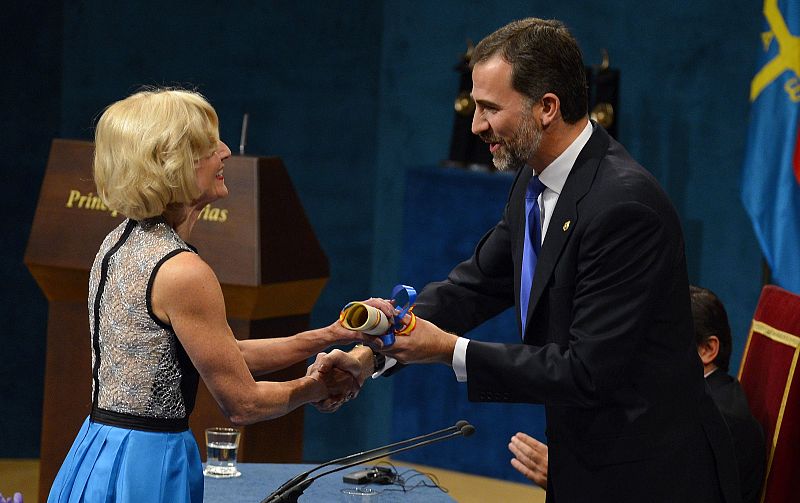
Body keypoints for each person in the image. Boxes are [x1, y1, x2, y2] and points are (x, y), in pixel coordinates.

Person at [354, 18, 742, 502]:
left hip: (650, 476)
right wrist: (374, 349)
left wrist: (449, 350)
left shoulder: (624, 206)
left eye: (489, 108)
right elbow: (472, 287)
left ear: (547, 108)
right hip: (588, 461)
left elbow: (586, 370)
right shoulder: (534, 183)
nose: (475, 125)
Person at [47, 88, 373, 503]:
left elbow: (216, 352)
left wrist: (328, 335)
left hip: (99, 451)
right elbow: (243, 404)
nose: (224, 152)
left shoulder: (118, 242)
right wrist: (317, 387)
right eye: (206, 146)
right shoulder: (183, 271)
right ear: (167, 163)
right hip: (151, 463)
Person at [509, 286, 766, 503]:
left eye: (660, 342)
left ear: (707, 350)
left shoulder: (721, 421)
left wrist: (567, 483)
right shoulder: (685, 402)